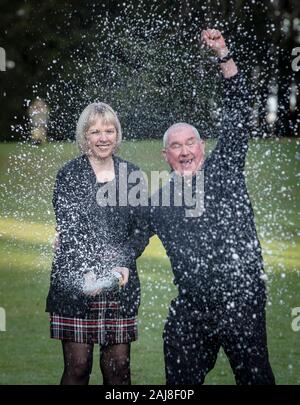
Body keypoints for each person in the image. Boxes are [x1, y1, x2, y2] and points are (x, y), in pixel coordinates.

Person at [149, 29, 275, 385]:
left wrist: (224, 54)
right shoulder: (159, 200)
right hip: (193, 307)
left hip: (241, 300)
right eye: (176, 146)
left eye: (191, 142)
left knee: (256, 379)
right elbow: (130, 237)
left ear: (202, 147)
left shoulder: (225, 168)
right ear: (166, 155)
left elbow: (237, 112)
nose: (185, 150)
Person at [46, 102, 149, 385]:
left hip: (120, 283)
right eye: (95, 131)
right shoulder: (70, 175)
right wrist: (88, 271)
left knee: (118, 371)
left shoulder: (133, 175)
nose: (103, 137)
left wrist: (123, 260)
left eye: (109, 130)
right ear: (84, 137)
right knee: (78, 368)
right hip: (78, 284)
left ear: (117, 134)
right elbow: (68, 228)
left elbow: (141, 230)